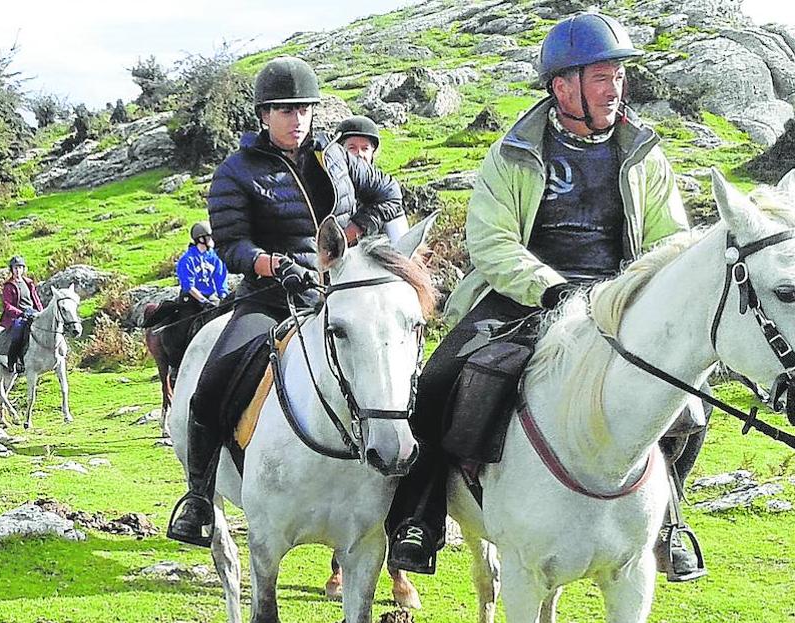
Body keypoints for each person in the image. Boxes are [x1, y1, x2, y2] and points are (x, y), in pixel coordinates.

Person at [385, 11, 702, 582]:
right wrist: (550, 287)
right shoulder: (512, 154)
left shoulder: (643, 152)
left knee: (692, 407)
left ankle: (670, 520)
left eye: (618, 77)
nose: (614, 88)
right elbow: (490, 240)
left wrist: (635, 290)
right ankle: (421, 516)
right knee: (438, 382)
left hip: (618, 303)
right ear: (563, 86)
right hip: (524, 296)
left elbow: (672, 235)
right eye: (601, 76)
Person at [167, 55, 408, 546]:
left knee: (399, 375)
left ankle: (410, 503)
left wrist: (349, 232)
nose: (296, 120)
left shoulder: (336, 158)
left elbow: (389, 194)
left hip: (342, 289)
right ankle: (198, 499)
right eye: (284, 110)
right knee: (210, 384)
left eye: (303, 110)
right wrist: (278, 266)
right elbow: (233, 246)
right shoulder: (236, 171)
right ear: (263, 115)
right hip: (270, 297)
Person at [334, 115, 411, 245]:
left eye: (365, 148)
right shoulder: (331, 185)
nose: (359, 153)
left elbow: (401, 243)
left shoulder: (384, 189)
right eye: (352, 148)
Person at [0, 255, 43, 373]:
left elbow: (35, 299)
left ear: (24, 269)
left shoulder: (28, 283)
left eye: (20, 267)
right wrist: (20, 313)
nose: (18, 270)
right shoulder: (8, 286)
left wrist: (41, 312)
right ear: (12, 270)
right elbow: (7, 305)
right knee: (18, 334)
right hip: (17, 316)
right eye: (15, 268)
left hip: (32, 313)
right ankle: (13, 361)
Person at [176, 222, 229, 306]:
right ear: (201, 239)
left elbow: (220, 278)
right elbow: (188, 286)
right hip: (191, 298)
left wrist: (223, 296)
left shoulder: (215, 257)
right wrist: (203, 301)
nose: (212, 240)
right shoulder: (187, 260)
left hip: (210, 296)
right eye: (209, 237)